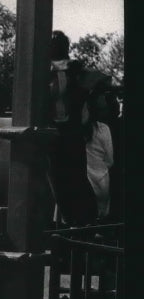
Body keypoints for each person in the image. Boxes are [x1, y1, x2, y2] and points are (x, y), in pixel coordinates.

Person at [46, 31, 103, 227]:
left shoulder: (76, 70)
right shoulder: (41, 72)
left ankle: (88, 221)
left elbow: (100, 80)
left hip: (72, 133)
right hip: (52, 133)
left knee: (77, 178)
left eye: (57, 44)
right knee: (57, 181)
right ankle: (71, 222)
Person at [84, 101, 114, 220]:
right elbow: (110, 160)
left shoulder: (75, 130)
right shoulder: (103, 129)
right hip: (101, 181)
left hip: (81, 183)